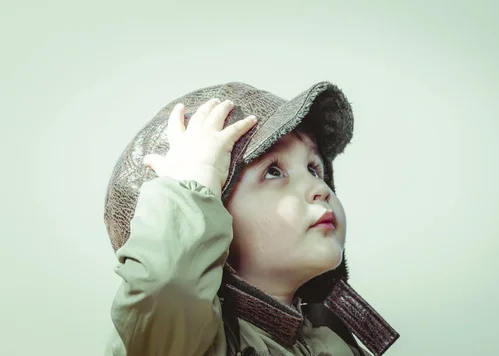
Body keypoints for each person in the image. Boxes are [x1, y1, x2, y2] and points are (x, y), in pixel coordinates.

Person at [104, 82, 399, 355]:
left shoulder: (333, 342)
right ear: (210, 216)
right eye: (273, 171)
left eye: (313, 168)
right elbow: (166, 285)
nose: (319, 189)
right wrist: (191, 186)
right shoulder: (186, 339)